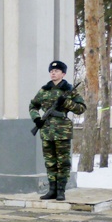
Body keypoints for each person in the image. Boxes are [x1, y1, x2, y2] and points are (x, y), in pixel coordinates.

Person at [29, 60, 87, 201]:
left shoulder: (69, 90)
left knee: (63, 162)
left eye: (56, 71)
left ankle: (61, 191)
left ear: (63, 73)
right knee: (50, 162)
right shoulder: (44, 90)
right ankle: (52, 190)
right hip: (47, 131)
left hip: (62, 131)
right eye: (51, 71)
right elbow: (33, 106)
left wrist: (66, 102)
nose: (53, 73)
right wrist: (37, 119)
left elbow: (81, 108)